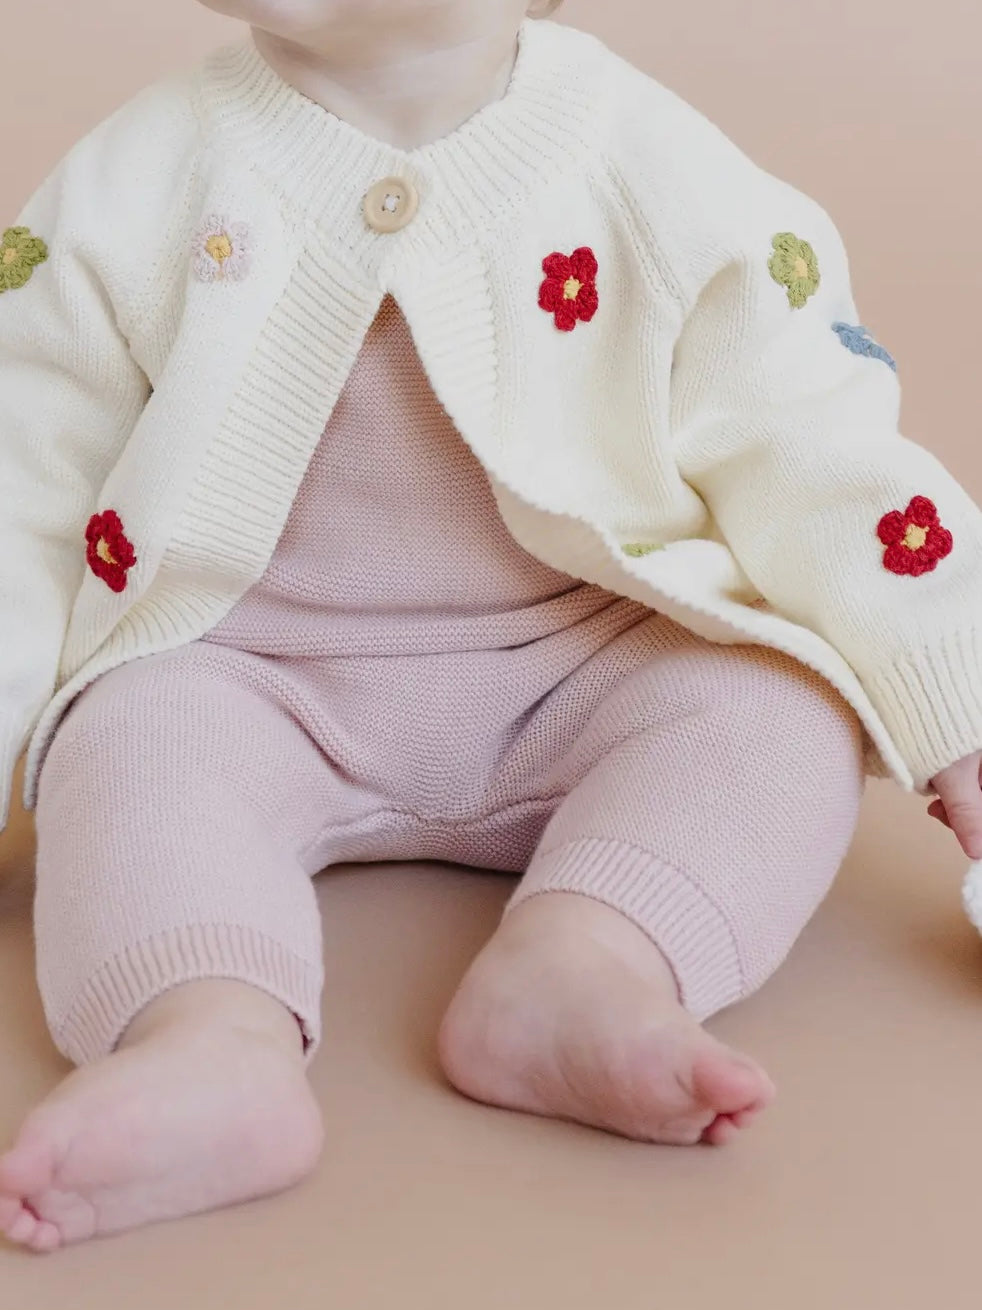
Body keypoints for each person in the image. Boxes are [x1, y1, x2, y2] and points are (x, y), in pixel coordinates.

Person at [0, 0, 979, 1253]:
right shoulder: (131, 185)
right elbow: (23, 484)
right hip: (241, 669)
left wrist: (959, 694)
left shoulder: (657, 167)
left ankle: (589, 960)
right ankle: (205, 1036)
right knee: (119, 746)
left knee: (780, 713)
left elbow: (814, 445)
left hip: (591, 657)